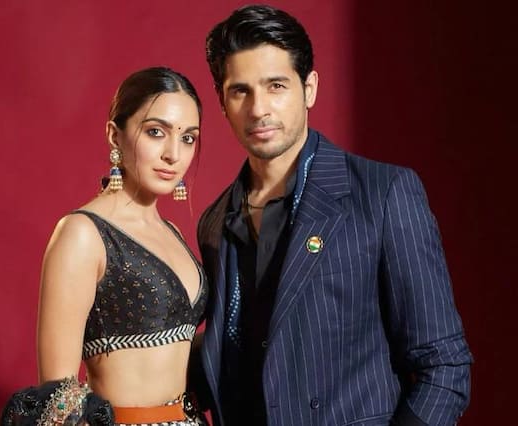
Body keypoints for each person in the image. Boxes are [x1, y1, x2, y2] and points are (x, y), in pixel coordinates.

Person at [194, 5, 473, 426]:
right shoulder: (215, 223)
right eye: (240, 91)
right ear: (222, 102)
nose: (258, 108)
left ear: (309, 89)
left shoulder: (382, 194)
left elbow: (445, 367)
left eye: (276, 86)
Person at [0, 67, 208, 426]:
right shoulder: (83, 234)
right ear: (115, 135)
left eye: (188, 138)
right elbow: (58, 397)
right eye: (156, 132)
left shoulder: (173, 233)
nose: (173, 154)